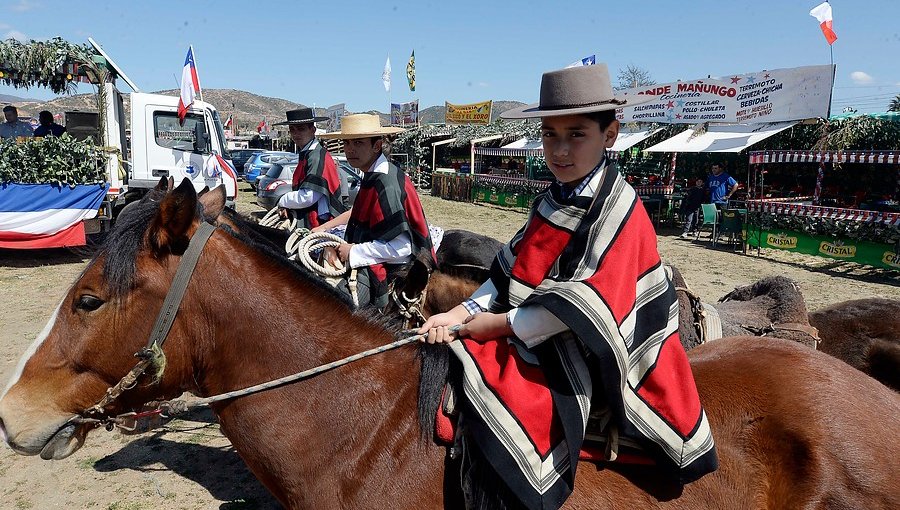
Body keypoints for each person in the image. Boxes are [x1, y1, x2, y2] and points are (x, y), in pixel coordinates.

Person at [419, 64, 717, 509]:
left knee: (514, 404)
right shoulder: (553, 198)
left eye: (576, 134)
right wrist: (460, 313)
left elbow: (585, 306)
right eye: (549, 134)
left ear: (610, 134)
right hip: (538, 324)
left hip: (613, 340)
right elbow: (507, 271)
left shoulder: (620, 208)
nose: (559, 149)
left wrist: (493, 327)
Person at [315, 114, 435, 308]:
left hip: (396, 271)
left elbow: (402, 248)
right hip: (374, 260)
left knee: (329, 305)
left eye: (358, 143)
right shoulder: (374, 174)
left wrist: (354, 251)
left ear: (377, 146)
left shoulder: (385, 183)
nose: (350, 149)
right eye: (346, 143)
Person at [272, 108, 346, 229]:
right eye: (292, 130)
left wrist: (283, 200)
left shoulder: (315, 156)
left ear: (313, 130)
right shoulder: (309, 154)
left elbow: (308, 197)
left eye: (301, 129)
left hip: (318, 224)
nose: (296, 134)